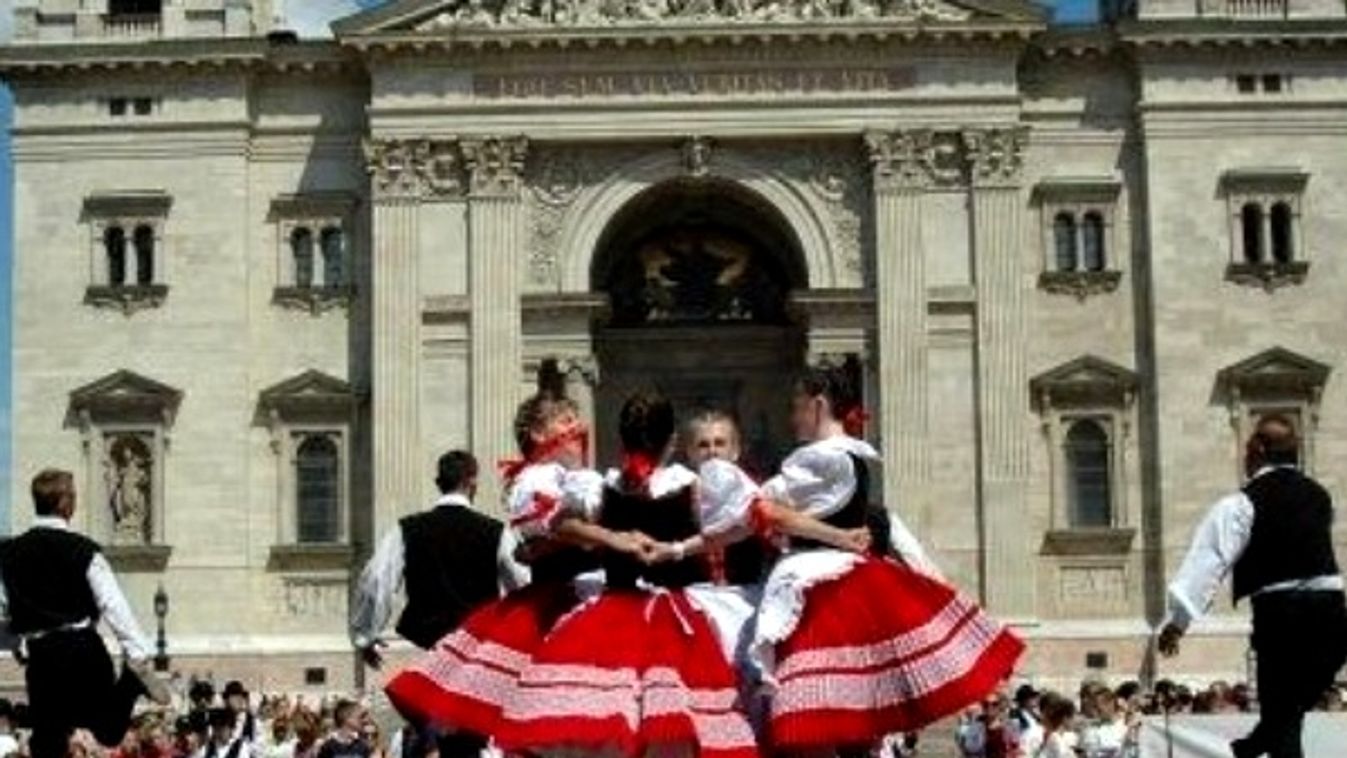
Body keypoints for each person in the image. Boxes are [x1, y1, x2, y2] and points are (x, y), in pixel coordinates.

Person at [746, 365, 1025, 753]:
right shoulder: (856, 456)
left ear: (818, 404)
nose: (792, 417)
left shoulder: (818, 458)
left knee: (812, 716)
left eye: (797, 407)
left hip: (821, 589)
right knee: (858, 715)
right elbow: (914, 556)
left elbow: (765, 509)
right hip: (858, 588)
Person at [491, 391, 759, 758]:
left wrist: (610, 539)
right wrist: (680, 549)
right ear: (671, 441)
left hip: (612, 614)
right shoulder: (689, 483)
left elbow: (559, 523)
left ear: (622, 439)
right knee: (677, 725)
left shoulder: (603, 485)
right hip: (675, 615)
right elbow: (743, 521)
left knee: (613, 723)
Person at [384, 391, 652, 745]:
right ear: (539, 435)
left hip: (598, 594)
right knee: (565, 708)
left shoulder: (577, 477)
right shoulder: (535, 477)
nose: (577, 429)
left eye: (576, 420)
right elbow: (552, 525)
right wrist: (614, 539)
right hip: (563, 600)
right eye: (566, 421)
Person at [1158, 415, 1347, 758]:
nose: (1244, 458)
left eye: (1246, 449)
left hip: (1281, 618)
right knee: (1289, 712)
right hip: (1331, 613)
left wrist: (1177, 622)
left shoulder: (1242, 503)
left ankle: (1257, 743)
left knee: (1283, 714)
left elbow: (1209, 560)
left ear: (1258, 449)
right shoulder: (1320, 496)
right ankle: (1258, 742)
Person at [0, 469, 171, 758]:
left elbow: (4, 609)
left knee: (47, 743)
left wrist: (16, 642)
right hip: (82, 650)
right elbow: (113, 604)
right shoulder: (84, 550)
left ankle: (131, 680)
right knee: (108, 730)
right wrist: (138, 652)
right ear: (66, 504)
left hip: (42, 656)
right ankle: (132, 679)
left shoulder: (7, 554)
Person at [351, 450, 530, 664]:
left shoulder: (406, 529)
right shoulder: (497, 532)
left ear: (438, 482)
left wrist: (366, 636)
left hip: (422, 645)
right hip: (476, 649)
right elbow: (523, 585)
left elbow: (377, 580)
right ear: (472, 481)